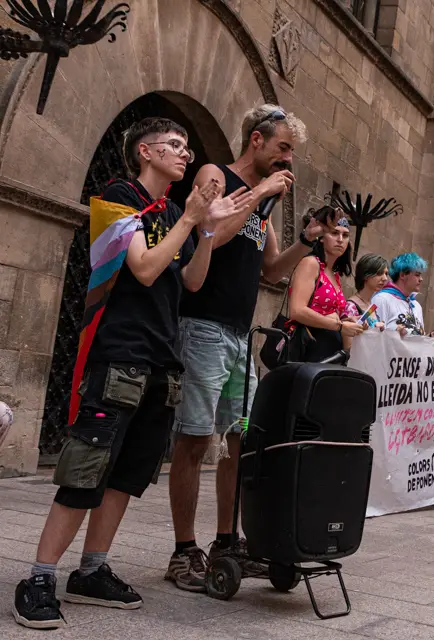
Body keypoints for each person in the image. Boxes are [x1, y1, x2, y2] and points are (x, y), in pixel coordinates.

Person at [13, 118, 253, 629]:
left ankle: (92, 569)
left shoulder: (171, 210)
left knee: (128, 473)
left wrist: (206, 230)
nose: (186, 154)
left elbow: (190, 281)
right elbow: (142, 267)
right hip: (118, 352)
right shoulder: (118, 197)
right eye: (175, 145)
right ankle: (38, 577)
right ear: (145, 151)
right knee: (86, 470)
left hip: (162, 357)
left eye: (188, 147)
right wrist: (191, 220)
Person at [167, 105, 320, 591]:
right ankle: (183, 550)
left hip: (238, 335)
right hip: (203, 329)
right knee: (194, 439)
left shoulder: (266, 203)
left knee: (242, 438)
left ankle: (226, 540)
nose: (287, 160)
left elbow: (271, 270)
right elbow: (212, 232)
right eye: (282, 148)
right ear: (256, 140)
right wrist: (258, 193)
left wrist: (308, 242)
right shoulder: (216, 175)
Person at [286, 207, 365, 361]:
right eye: (335, 233)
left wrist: (348, 323)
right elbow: (296, 311)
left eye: (345, 235)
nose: (341, 239)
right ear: (322, 237)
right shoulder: (311, 263)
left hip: (330, 350)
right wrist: (340, 326)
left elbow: (328, 315)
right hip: (308, 348)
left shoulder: (334, 274)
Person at [370, 253, 434, 342]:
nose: (421, 279)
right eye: (417, 275)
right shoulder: (381, 299)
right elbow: (373, 336)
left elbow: (418, 341)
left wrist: (431, 336)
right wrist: (395, 334)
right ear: (402, 275)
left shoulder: (416, 305)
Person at [343, 253, 389, 318]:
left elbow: (369, 325)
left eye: (386, 273)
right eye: (379, 273)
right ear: (365, 275)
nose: (385, 278)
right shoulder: (351, 306)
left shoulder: (370, 304)